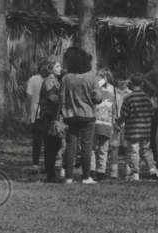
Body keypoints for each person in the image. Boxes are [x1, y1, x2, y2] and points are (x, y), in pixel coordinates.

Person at [60, 46, 102, 184]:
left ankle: (69, 176)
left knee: (71, 145)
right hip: (88, 115)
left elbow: (62, 98)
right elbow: (97, 98)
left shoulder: (66, 78)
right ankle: (86, 176)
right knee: (87, 146)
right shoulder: (91, 77)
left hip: (71, 116)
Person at [120, 73, 158, 180]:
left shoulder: (128, 98)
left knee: (133, 151)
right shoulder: (146, 98)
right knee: (146, 150)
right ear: (142, 84)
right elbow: (152, 112)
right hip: (145, 130)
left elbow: (124, 114)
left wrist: (119, 121)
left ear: (131, 84)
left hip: (133, 130)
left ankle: (135, 173)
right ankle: (152, 170)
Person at [37, 58, 63, 183]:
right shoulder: (49, 81)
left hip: (54, 117)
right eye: (57, 66)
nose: (60, 69)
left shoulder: (56, 81)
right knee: (50, 146)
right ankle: (50, 174)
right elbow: (52, 97)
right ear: (51, 68)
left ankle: (52, 173)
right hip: (48, 118)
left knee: (55, 145)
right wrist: (64, 99)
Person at [91, 70, 117, 181]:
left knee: (92, 149)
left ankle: (91, 170)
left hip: (94, 125)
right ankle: (101, 171)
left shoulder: (94, 95)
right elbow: (114, 112)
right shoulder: (111, 95)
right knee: (103, 150)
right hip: (107, 126)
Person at [26, 63, 44, 169]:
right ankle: (36, 164)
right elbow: (28, 97)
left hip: (38, 113)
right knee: (39, 139)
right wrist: (29, 113)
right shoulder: (34, 79)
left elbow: (28, 97)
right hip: (38, 113)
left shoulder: (33, 79)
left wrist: (29, 113)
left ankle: (36, 164)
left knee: (37, 140)